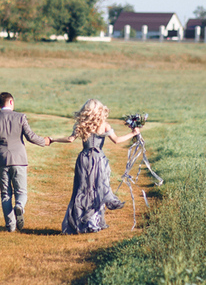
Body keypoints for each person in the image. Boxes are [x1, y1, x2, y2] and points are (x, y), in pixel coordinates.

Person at [50, 99, 142, 234]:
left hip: (84, 159)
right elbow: (117, 140)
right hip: (99, 160)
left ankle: (79, 222)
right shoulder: (104, 125)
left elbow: (70, 139)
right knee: (98, 189)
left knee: (81, 190)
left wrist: (53, 139)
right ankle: (93, 222)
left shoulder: (81, 124)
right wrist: (133, 133)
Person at [0, 92, 50, 232]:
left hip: (1, 160)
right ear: (11, 102)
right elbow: (30, 137)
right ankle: (19, 206)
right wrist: (44, 141)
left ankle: (11, 226)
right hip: (19, 159)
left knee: (5, 194)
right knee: (21, 191)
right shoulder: (20, 117)